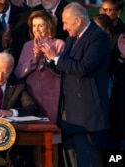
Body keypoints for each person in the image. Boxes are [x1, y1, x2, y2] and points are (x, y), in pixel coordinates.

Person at [41, 2, 112, 167]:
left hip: (86, 112)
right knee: (70, 157)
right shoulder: (73, 37)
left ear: (78, 21)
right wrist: (49, 57)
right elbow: (64, 68)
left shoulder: (98, 37)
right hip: (69, 110)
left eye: (66, 23)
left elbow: (82, 68)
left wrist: (56, 58)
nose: (64, 28)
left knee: (86, 157)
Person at [14, 10, 65, 167]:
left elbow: (62, 73)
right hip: (33, 100)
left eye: (41, 25)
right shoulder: (27, 45)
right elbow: (18, 73)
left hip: (53, 100)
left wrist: (49, 57)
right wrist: (33, 60)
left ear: (48, 26)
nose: (37, 29)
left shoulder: (59, 44)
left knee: (53, 142)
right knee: (36, 141)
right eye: (34, 26)